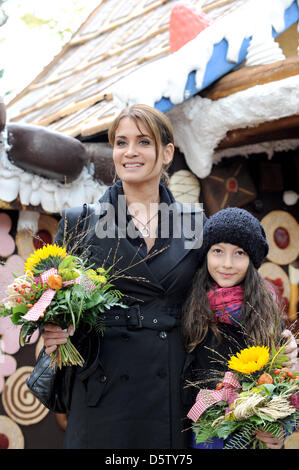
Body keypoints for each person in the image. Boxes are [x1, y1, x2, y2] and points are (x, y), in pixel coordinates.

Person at [41, 104, 205, 449]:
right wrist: (52, 328)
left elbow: (218, 300)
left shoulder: (194, 223)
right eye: (121, 142)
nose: (130, 152)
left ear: (167, 154)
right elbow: (48, 298)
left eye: (143, 142)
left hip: (172, 390)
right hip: (102, 388)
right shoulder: (79, 222)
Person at [182, 207, 298, 450]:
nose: (226, 264)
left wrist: (280, 432)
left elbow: (284, 384)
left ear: (251, 260)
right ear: (206, 254)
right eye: (217, 251)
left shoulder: (265, 311)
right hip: (205, 436)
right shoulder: (189, 306)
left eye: (239, 253)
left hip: (253, 437)